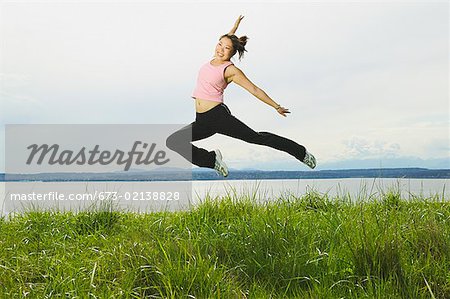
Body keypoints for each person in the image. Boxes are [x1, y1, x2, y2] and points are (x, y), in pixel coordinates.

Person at [166, 15, 316, 177]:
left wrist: (276, 106)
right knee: (173, 141)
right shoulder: (213, 59)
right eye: (220, 44)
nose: (221, 49)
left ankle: (301, 153)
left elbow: (254, 89)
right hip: (202, 120)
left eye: (226, 48)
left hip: (218, 116)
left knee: (257, 138)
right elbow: (228, 39)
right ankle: (212, 159)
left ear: (233, 52)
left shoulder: (230, 70)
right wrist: (235, 27)